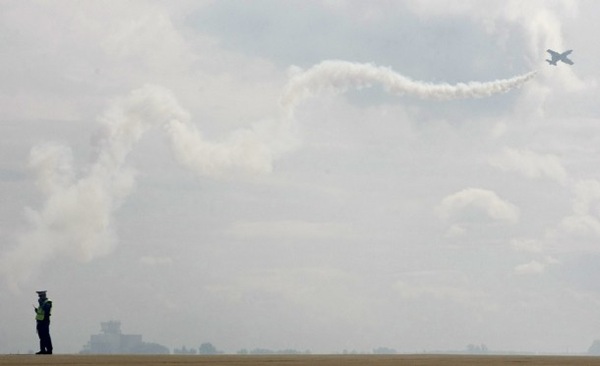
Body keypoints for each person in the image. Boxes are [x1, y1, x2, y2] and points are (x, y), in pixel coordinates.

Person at [34, 290, 53, 355]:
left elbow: (46, 311)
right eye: (39, 296)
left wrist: (41, 303)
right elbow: (41, 312)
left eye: (40, 296)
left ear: (44, 296)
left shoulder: (47, 302)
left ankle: (49, 350)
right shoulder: (42, 303)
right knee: (41, 336)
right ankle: (42, 350)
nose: (39, 297)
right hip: (40, 321)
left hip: (44, 321)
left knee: (46, 336)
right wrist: (37, 311)